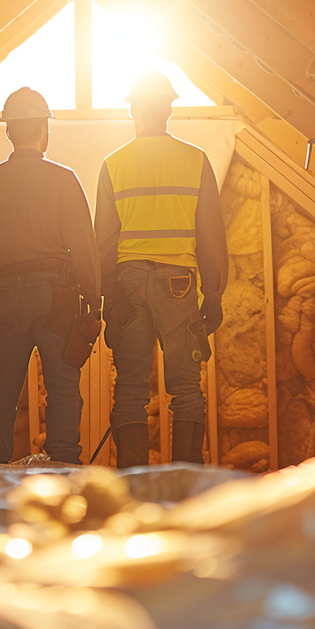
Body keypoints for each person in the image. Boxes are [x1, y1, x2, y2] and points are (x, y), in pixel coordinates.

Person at [95, 71, 227, 467]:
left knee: (130, 390)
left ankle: (132, 485)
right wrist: (214, 294)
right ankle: (186, 485)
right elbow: (211, 234)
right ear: (169, 109)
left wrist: (105, 297)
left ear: (133, 108)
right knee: (186, 389)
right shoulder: (195, 160)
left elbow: (104, 240)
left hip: (129, 284)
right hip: (179, 286)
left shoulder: (113, 164)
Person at [0, 87, 99, 464]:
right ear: (44, 129)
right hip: (55, 293)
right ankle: (63, 468)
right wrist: (92, 297)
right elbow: (83, 247)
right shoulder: (63, 180)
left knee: (2, 390)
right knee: (61, 386)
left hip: (4, 293)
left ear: (9, 131)